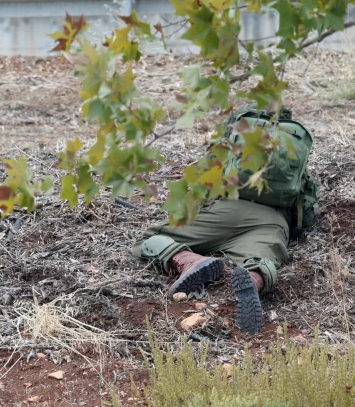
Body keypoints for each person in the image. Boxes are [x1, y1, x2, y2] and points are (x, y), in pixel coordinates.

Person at [133, 107, 318, 334]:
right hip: (270, 221)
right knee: (261, 259)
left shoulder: (234, 137)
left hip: (224, 209)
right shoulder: (294, 150)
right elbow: (305, 212)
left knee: (149, 238)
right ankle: (253, 279)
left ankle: (188, 260)